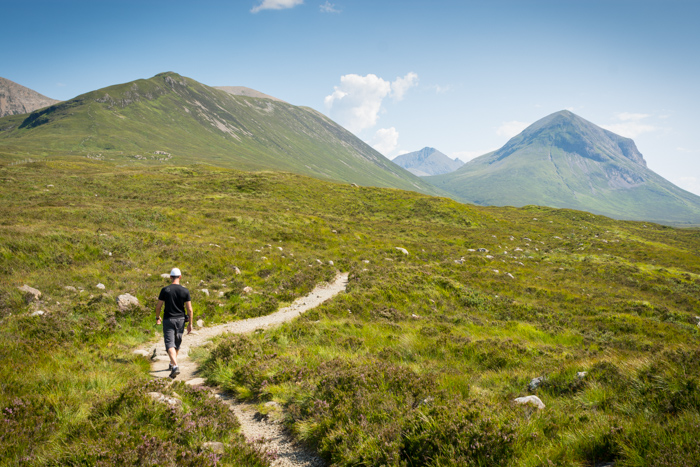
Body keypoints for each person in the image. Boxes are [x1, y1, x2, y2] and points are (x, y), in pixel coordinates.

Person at [155, 267, 193, 378]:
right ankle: (173, 363)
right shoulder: (185, 291)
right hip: (181, 320)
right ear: (180, 277)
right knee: (177, 343)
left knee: (169, 343)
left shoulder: (165, 290)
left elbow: (158, 306)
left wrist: (157, 318)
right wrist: (190, 324)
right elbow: (189, 309)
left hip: (168, 319)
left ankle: (175, 365)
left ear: (170, 277)